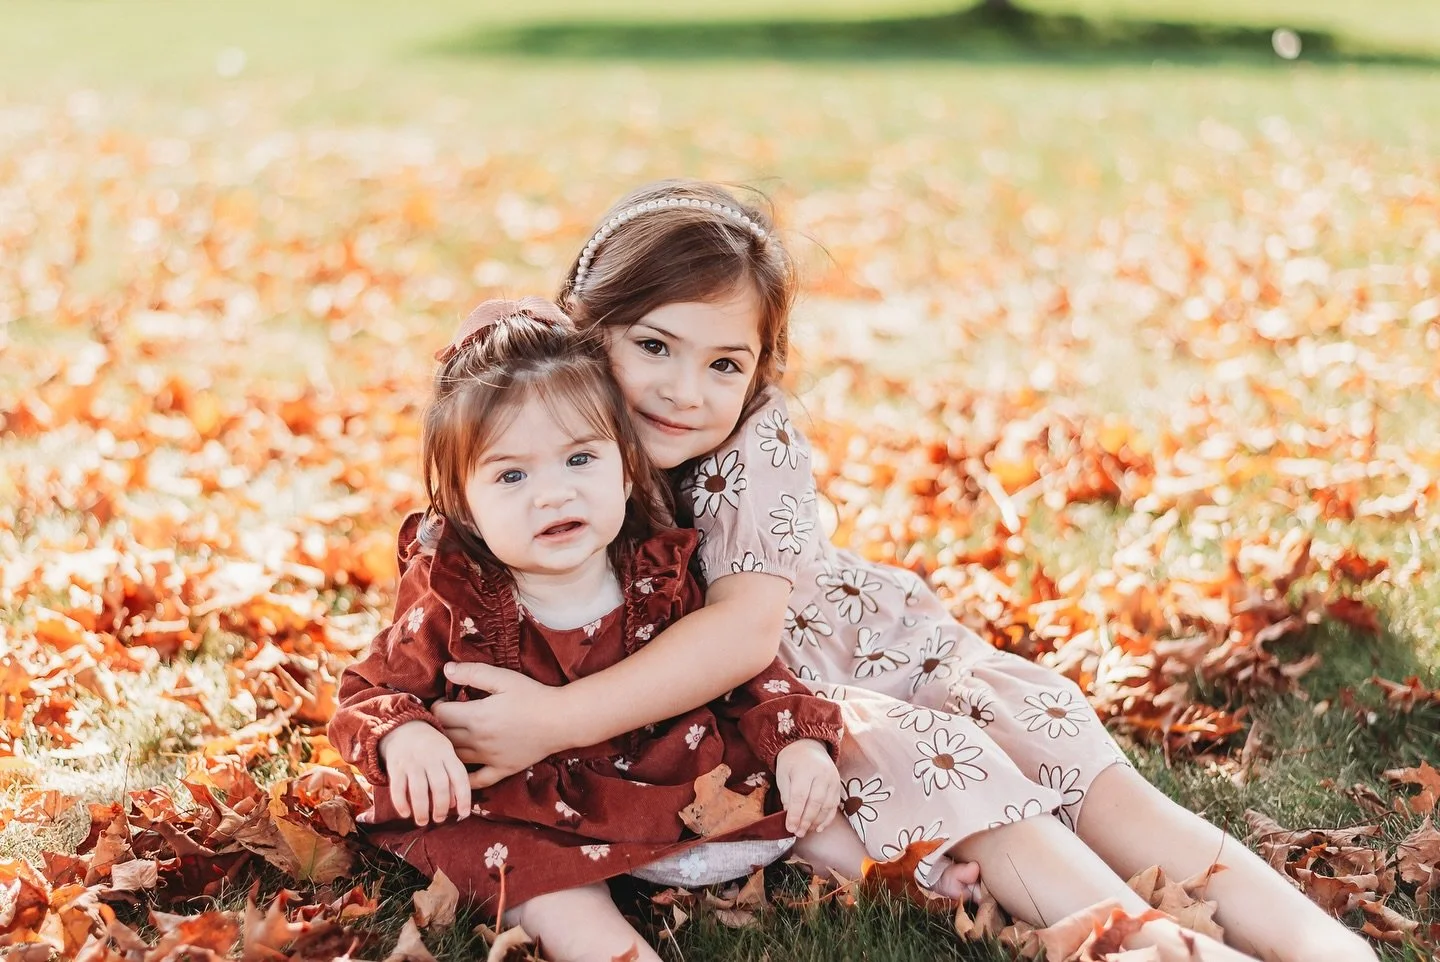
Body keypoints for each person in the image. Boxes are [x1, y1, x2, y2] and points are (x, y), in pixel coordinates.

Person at [433, 184, 1378, 961]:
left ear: (762, 367)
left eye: (727, 362)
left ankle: (1321, 947)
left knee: (1078, 773)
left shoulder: (752, 443)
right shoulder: (530, 439)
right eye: (652, 347)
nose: (688, 392)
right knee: (956, 774)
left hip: (851, 639)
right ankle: (1154, 949)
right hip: (787, 705)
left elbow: (744, 633)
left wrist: (554, 721)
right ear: (581, 331)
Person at [328, 298, 852, 962]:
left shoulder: (655, 575)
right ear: (464, 502)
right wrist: (403, 736)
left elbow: (743, 667)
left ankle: (919, 877)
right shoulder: (456, 601)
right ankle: (611, 951)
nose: (553, 494)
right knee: (537, 880)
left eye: (580, 460)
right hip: (522, 804)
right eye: (512, 475)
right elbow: (368, 691)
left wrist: (798, 744)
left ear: (627, 469)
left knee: (810, 806)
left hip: (664, 773)